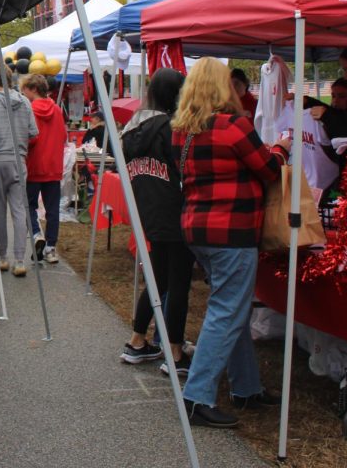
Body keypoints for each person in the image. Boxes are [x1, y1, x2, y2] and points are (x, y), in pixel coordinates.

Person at [172, 57, 290, 428]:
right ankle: (196, 396)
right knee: (227, 311)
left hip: (198, 230)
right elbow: (269, 170)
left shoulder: (182, 129)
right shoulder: (235, 126)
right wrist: (282, 148)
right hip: (232, 232)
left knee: (231, 308)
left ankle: (246, 387)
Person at [118, 69, 197, 375]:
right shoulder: (170, 128)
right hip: (174, 213)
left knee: (158, 280)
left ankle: (137, 341)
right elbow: (183, 168)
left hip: (148, 213)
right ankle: (175, 352)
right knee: (177, 285)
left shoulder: (133, 127)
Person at [0, 64, 38, 276]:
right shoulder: (25, 102)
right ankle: (20, 259)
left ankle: (3, 258)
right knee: (19, 210)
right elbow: (33, 132)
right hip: (18, 159)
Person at [22, 73, 67, 264]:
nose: (22, 92)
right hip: (53, 166)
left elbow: (30, 138)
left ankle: (35, 234)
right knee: (52, 209)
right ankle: (50, 248)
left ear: (33, 89)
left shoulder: (29, 110)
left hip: (34, 165)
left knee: (28, 205)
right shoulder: (56, 109)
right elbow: (64, 136)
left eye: (24, 89)